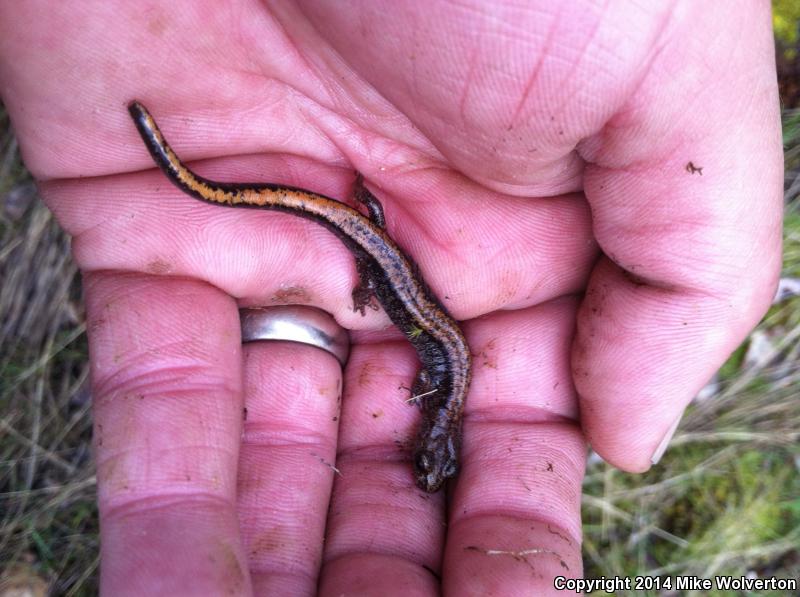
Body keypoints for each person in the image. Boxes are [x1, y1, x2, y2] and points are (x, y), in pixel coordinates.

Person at [0, 1, 782, 594]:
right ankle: (201, 176)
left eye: (431, 460)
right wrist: (387, 292)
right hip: (382, 256)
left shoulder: (449, 389)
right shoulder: (442, 387)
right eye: (431, 459)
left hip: (387, 257)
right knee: (355, 254)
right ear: (435, 441)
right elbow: (433, 370)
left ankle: (237, 185)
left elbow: (438, 366)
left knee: (368, 262)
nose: (426, 457)